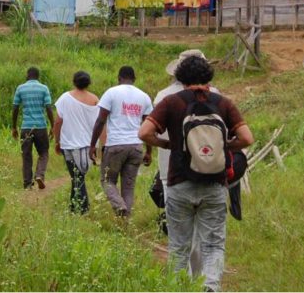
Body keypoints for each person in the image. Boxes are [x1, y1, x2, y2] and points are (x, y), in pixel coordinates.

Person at [140, 55, 253, 292]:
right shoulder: (223, 103)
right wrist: (224, 145)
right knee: (213, 245)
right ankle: (210, 288)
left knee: (179, 245)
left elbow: (144, 133)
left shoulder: (171, 102)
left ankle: (180, 288)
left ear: (179, 76)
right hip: (214, 185)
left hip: (179, 183)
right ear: (209, 76)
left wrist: (166, 145)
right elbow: (246, 139)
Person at [154, 49, 220, 272]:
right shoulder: (217, 95)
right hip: (211, 171)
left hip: (172, 171)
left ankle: (184, 282)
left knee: (179, 236)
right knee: (208, 236)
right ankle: (202, 280)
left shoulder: (164, 96)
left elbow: (150, 133)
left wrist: (169, 145)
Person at [89, 65, 153, 218]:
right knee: (128, 188)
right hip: (136, 146)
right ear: (134, 79)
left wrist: (93, 145)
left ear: (119, 78)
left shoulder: (111, 93)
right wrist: (149, 151)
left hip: (116, 145)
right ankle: (125, 221)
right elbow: (148, 126)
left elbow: (100, 120)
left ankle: (119, 207)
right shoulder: (144, 96)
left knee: (107, 180)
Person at [53, 70, 103, 213]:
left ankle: (83, 208)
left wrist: (57, 141)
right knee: (77, 176)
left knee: (76, 177)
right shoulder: (95, 99)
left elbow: (58, 122)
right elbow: (100, 122)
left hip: (69, 145)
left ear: (74, 81)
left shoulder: (65, 98)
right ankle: (73, 206)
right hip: (88, 145)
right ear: (89, 83)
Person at [12, 67, 54, 189]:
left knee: (26, 156)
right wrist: (52, 125)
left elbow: (15, 108)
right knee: (44, 152)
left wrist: (14, 127)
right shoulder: (44, 88)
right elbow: (48, 108)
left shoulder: (20, 88)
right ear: (38, 76)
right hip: (41, 127)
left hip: (26, 127)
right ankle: (39, 174)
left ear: (27, 75)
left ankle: (27, 184)